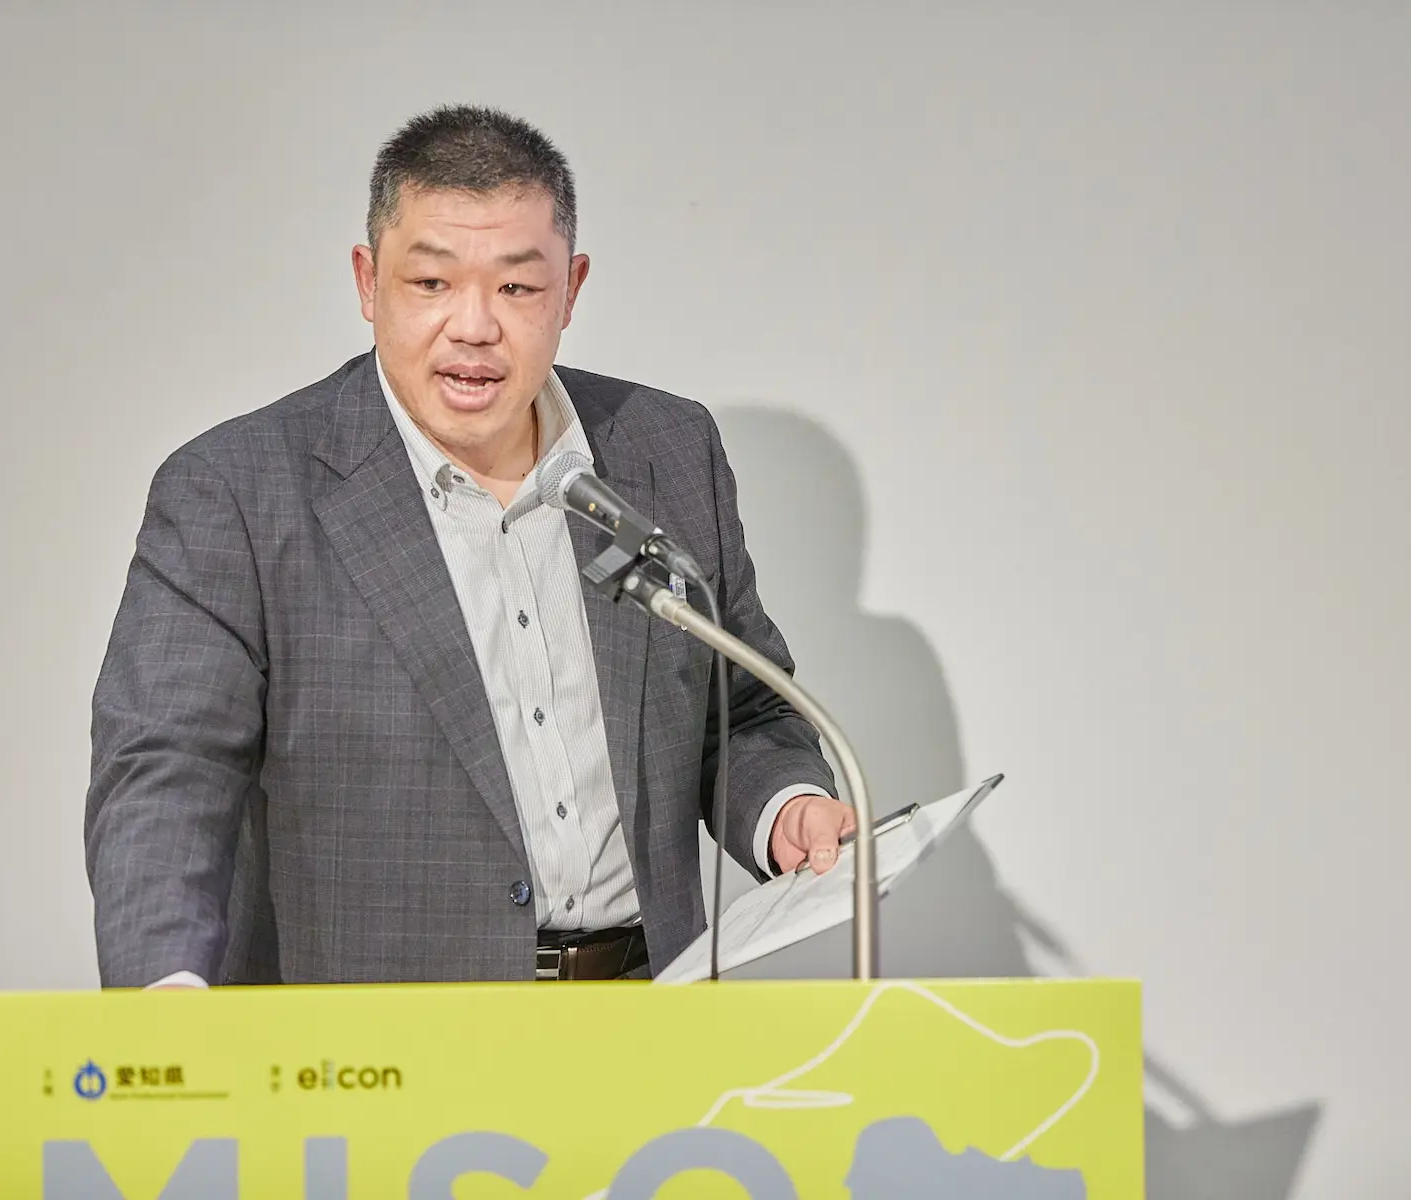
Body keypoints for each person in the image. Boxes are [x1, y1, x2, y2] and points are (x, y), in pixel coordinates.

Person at [83, 105, 853, 987]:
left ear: (571, 289)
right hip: (377, 1032)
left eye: (517, 288)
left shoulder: (665, 451)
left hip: (647, 1005)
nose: (475, 326)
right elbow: (167, 770)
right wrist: (166, 1001)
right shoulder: (238, 490)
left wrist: (785, 806)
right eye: (432, 283)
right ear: (368, 282)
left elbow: (741, 709)